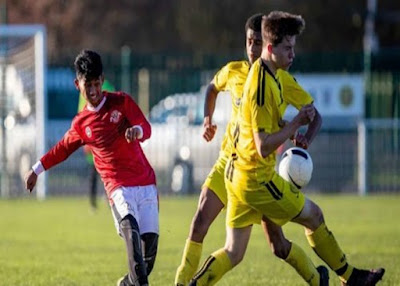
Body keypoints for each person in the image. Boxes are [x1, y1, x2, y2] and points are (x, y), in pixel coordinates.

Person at [189, 11, 385, 286]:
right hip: (256, 179)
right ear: (271, 49)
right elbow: (263, 146)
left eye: (294, 47)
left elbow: (299, 117)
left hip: (239, 178)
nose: (293, 54)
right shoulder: (260, 87)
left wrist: (301, 132)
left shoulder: (271, 75)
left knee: (234, 252)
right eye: (288, 48)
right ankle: (351, 278)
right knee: (314, 215)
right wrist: (295, 124)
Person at [24, 50, 159, 286]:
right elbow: (62, 149)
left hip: (145, 182)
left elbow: (144, 126)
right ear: (78, 84)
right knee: (132, 236)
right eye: (89, 85)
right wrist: (36, 169)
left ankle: (126, 284)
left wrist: (136, 132)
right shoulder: (81, 123)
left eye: (97, 84)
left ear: (102, 79)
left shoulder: (121, 101)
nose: (94, 91)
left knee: (147, 261)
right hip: (118, 189)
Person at [174, 13, 263, 286]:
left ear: (269, 45)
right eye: (249, 41)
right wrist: (207, 119)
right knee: (199, 220)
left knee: (278, 244)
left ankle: (316, 275)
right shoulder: (234, 70)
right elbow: (212, 88)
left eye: (258, 42)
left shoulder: (275, 80)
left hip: (255, 171)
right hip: (228, 162)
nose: (252, 48)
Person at [77, 79, 115, 210]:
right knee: (94, 172)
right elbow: (81, 115)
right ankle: (93, 203)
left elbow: (113, 110)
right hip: (92, 137)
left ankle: (111, 199)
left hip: (106, 138)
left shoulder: (108, 87)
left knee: (110, 172)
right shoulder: (84, 90)